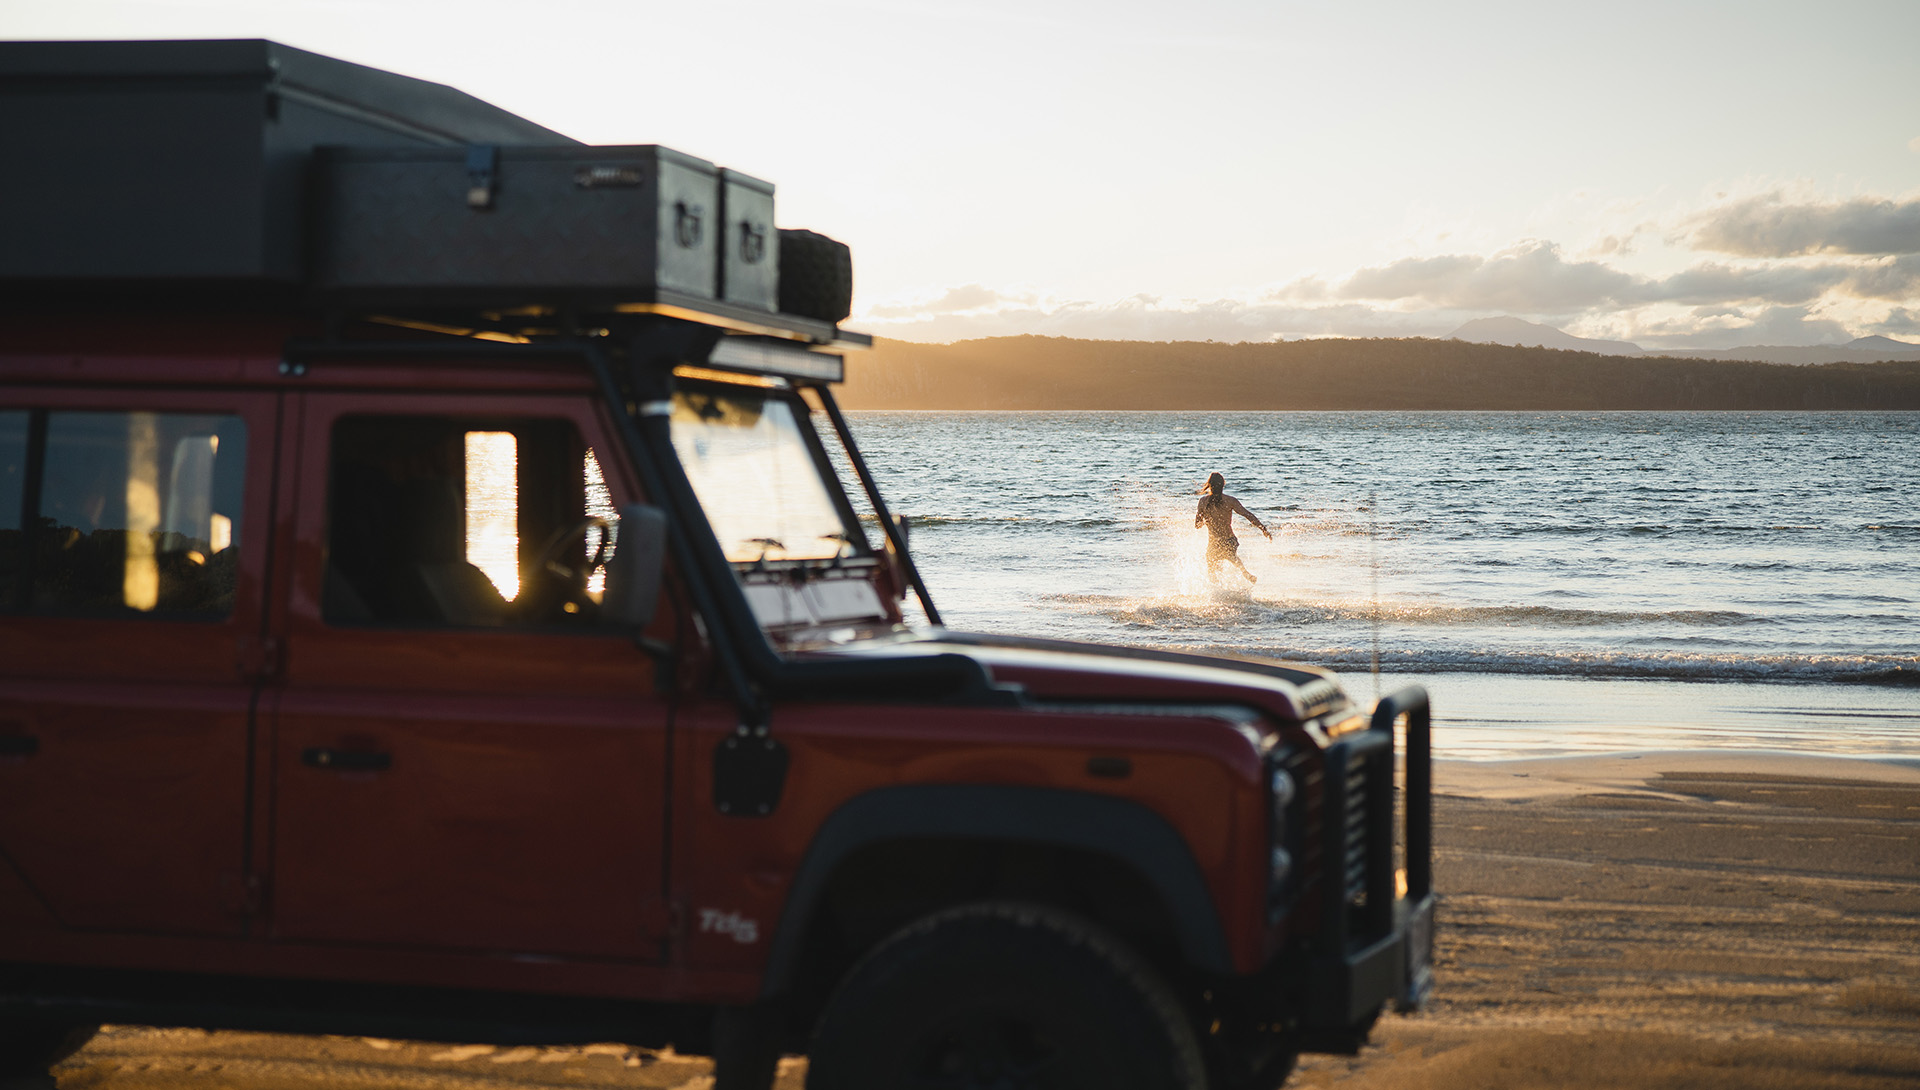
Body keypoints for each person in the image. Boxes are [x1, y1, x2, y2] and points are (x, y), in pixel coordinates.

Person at [1194, 471, 1270, 584]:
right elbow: (1247, 515)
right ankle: (1246, 574)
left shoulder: (1203, 502)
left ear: (1209, 485)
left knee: (1213, 571)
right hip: (1229, 540)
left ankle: (1221, 593)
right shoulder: (1230, 500)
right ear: (1223, 485)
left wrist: (1207, 519)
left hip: (1214, 542)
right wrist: (1263, 528)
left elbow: (1197, 525)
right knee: (1231, 558)